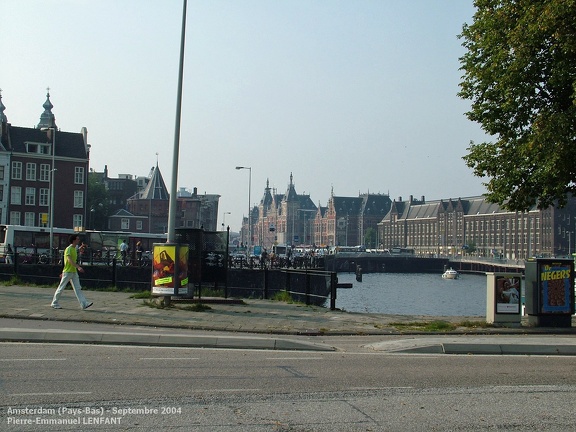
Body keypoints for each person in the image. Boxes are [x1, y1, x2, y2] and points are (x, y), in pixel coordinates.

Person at [51, 234, 93, 310]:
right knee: (61, 288)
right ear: (73, 240)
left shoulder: (73, 249)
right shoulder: (69, 249)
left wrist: (80, 248)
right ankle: (54, 303)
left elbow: (76, 252)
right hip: (68, 272)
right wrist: (78, 267)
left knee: (78, 288)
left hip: (73, 272)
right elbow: (69, 260)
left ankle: (84, 303)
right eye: (77, 239)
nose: (79, 240)